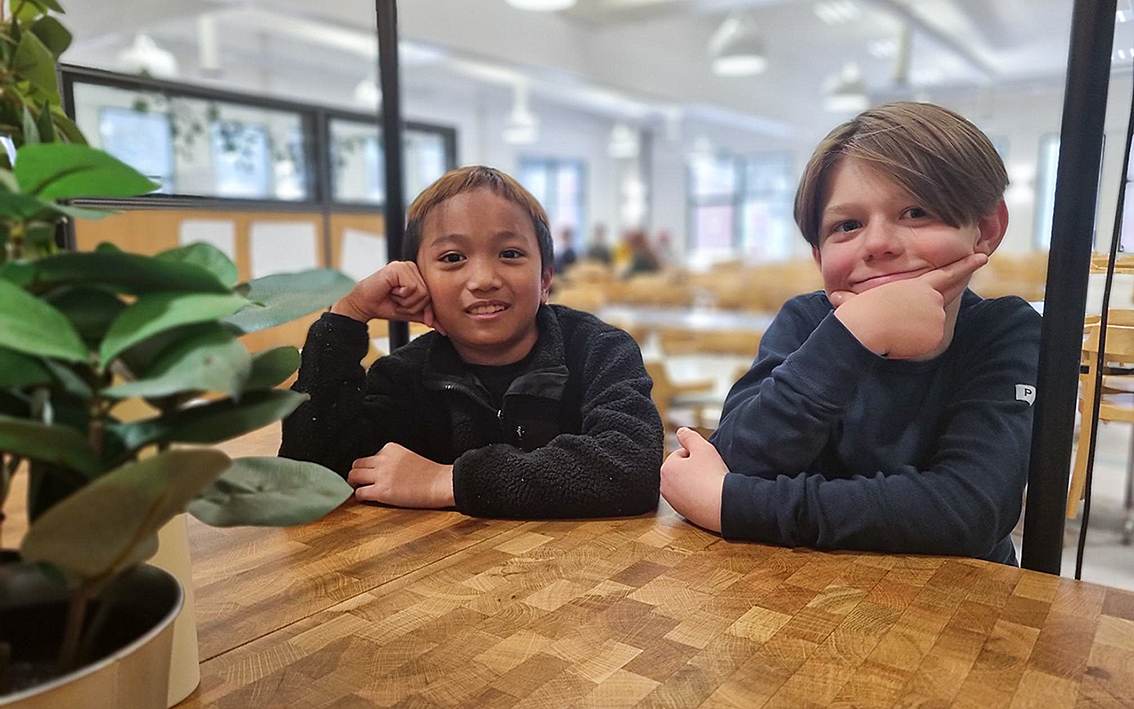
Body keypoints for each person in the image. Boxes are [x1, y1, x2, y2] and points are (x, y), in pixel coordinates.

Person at [659, 102, 1041, 565]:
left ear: (985, 230)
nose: (878, 243)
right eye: (848, 225)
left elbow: (968, 512)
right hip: (805, 597)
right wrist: (852, 334)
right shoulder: (804, 322)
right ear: (819, 257)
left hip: (961, 607)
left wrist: (731, 504)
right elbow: (737, 459)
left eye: (917, 212)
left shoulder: (1005, 331)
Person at [279, 166, 662, 518]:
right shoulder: (403, 376)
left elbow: (633, 470)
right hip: (444, 584)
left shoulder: (599, 351)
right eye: (452, 257)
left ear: (545, 278)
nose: (482, 279)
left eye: (509, 254)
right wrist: (347, 315)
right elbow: (308, 476)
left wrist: (445, 481)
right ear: (418, 278)